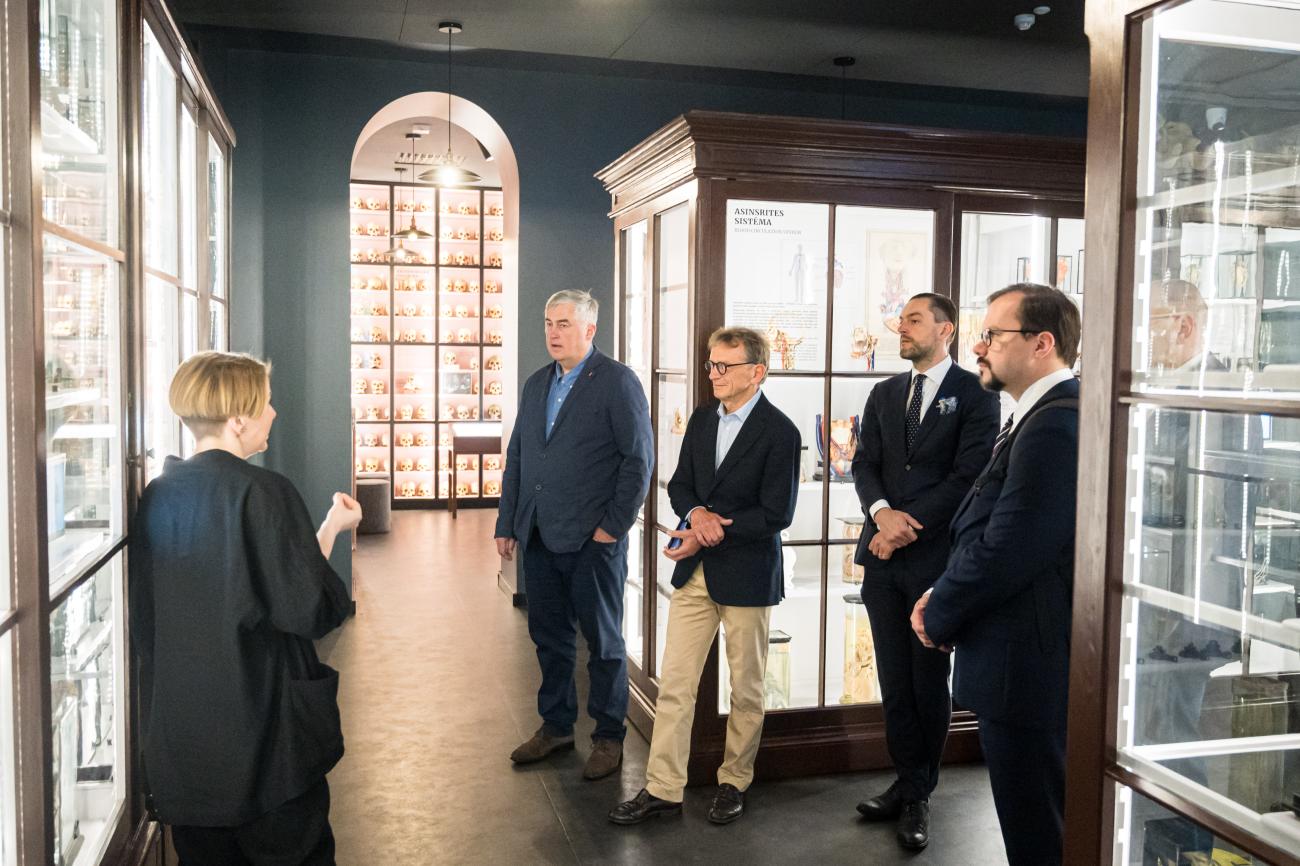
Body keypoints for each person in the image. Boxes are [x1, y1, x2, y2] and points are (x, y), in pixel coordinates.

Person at [130, 352, 361, 866]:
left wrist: (325, 528)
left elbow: (164, 612)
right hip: (264, 736)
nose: (273, 413)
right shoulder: (265, 491)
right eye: (266, 403)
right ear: (238, 419)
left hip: (185, 742)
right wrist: (336, 533)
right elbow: (311, 608)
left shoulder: (159, 495)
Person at [911, 283, 1081, 866]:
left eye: (992, 335)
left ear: (1042, 344)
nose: (978, 347)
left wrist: (939, 609)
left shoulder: (1055, 426)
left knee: (1038, 832)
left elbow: (1009, 546)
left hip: (1027, 668)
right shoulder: (1035, 418)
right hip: (1015, 658)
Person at [609, 327, 800, 826]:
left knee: (747, 689)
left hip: (748, 577)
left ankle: (734, 782)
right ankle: (663, 789)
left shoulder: (781, 432)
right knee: (675, 683)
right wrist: (696, 515)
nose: (713, 374)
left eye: (724, 366)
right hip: (695, 575)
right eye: (711, 364)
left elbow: (776, 514)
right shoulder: (700, 419)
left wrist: (709, 531)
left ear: (757, 372)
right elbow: (681, 486)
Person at [850, 294, 999, 850]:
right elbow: (863, 464)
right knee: (893, 680)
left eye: (914, 320)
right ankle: (904, 780)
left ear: (946, 330)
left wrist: (904, 526)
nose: (902, 329)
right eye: (901, 321)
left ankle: (920, 795)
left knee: (927, 680)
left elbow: (969, 476)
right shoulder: (884, 393)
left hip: (935, 561)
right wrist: (880, 515)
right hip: (882, 560)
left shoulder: (976, 394)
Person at [495, 289, 654, 780]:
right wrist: (507, 521)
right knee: (549, 637)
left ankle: (608, 736)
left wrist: (612, 528)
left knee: (603, 643)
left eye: (563, 324)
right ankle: (556, 726)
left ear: (590, 329)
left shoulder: (618, 382)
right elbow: (519, 456)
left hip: (593, 540)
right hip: (539, 534)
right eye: (549, 323)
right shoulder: (536, 383)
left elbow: (638, 461)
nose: (553, 333)